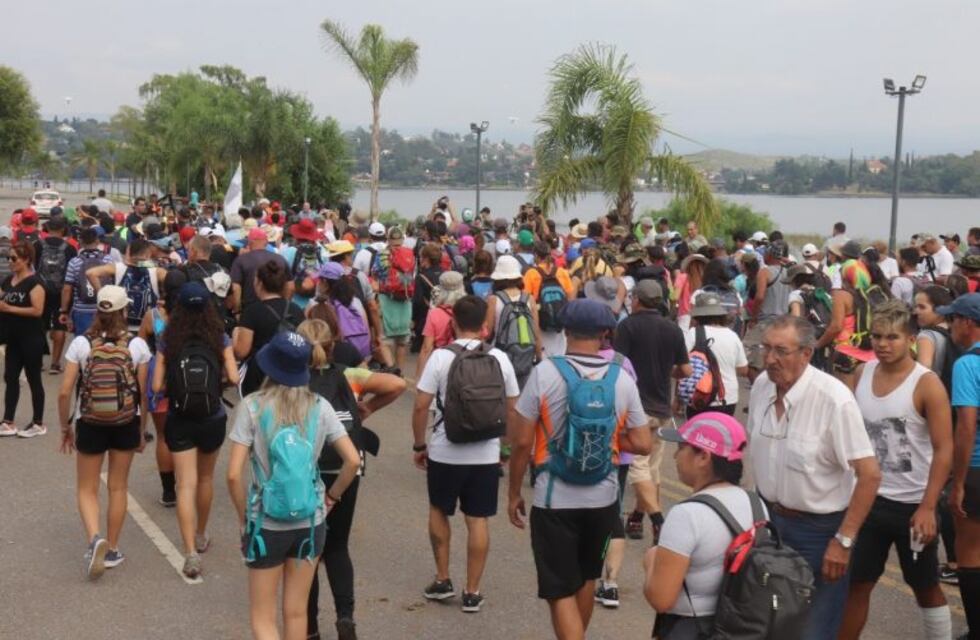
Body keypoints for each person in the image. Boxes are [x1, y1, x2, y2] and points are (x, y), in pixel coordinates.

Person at [507, 299, 651, 640]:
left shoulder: (545, 372)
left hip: (554, 498)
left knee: (558, 589)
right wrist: (611, 441)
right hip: (603, 499)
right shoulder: (621, 377)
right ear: (605, 334)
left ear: (566, 331)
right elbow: (643, 442)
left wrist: (513, 492)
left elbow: (523, 442)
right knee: (586, 578)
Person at [746, 315, 881, 640]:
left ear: (806, 354)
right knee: (764, 621)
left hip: (819, 533)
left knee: (812, 630)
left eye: (781, 351)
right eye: (766, 349)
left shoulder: (834, 400)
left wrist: (844, 540)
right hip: (769, 523)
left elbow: (869, 475)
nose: (770, 359)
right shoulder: (762, 386)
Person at [227, 330, 360, 640]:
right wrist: (331, 497)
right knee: (297, 612)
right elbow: (352, 461)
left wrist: (244, 518)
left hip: (266, 522)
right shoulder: (319, 406)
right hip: (311, 520)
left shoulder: (252, 406)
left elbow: (234, 475)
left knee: (263, 617)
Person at [838, 301, 954, 640]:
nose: (883, 344)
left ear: (911, 339)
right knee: (857, 584)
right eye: (876, 337)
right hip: (868, 502)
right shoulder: (864, 373)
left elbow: (944, 448)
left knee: (925, 587)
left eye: (893, 337)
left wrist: (929, 507)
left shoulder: (927, 384)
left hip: (913, 506)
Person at [297, 319, 406, 640]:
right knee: (338, 547)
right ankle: (346, 617)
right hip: (346, 468)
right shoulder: (348, 375)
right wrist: (367, 408)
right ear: (334, 345)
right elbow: (398, 385)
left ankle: (310, 627)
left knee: (309, 551)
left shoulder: (295, 380)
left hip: (308, 470)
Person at [412, 295, 520, 612]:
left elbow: (421, 405)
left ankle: (443, 579)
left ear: (453, 323)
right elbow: (513, 409)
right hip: (485, 453)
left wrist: (420, 444)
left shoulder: (441, 358)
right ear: (485, 326)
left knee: (438, 510)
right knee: (478, 520)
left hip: (446, 450)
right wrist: (505, 447)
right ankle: (472, 591)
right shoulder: (500, 358)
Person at [56, 285, 150, 579]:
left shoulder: (82, 344)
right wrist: (141, 431)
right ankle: (112, 548)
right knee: (118, 487)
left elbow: (64, 391)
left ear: (99, 310)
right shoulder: (137, 346)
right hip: (125, 422)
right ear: (124, 310)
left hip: (90, 422)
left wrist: (65, 426)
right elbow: (143, 396)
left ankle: (95, 538)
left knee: (87, 488)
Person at [642, 412, 758, 638]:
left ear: (703, 457)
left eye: (682, 447)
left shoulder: (686, 515)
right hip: (738, 627)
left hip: (692, 628)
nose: (675, 455)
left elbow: (661, 599)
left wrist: (651, 560)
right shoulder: (755, 503)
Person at [152, 282, 239, 579]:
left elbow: (155, 386)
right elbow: (233, 377)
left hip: (180, 416)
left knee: (184, 484)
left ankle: (189, 552)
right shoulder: (219, 336)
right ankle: (201, 534)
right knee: (205, 478)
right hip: (212, 415)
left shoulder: (169, 338)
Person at [614, 280, 692, 542]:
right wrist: (666, 370)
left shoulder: (627, 326)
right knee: (651, 467)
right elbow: (686, 370)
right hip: (661, 407)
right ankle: (637, 519)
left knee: (637, 467)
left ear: (636, 299)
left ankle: (658, 519)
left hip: (635, 407)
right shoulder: (672, 329)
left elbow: (617, 366)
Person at [936, 293, 980, 638]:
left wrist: (959, 481)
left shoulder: (967, 364)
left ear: (968, 323)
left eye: (953, 319)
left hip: (976, 468)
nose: (949, 326)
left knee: (969, 552)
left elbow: (966, 424)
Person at [139, 270, 187, 506]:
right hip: (186, 381)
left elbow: (140, 346)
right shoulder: (191, 313)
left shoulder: (153, 315)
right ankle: (187, 484)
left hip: (159, 382)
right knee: (187, 435)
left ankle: (169, 491)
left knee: (163, 437)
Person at [234, 260, 305, 397]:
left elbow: (242, 351)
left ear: (259, 283)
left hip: (259, 374)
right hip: (289, 373)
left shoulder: (252, 311)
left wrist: (236, 334)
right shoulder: (296, 309)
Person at [0, 242, 47, 438]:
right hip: (13, 338)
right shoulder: (9, 279)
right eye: (7, 258)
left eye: (13, 258)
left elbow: (37, 310)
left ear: (26, 259)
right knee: (10, 378)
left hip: (32, 338)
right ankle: (8, 421)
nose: (10, 262)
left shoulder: (35, 282)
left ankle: (38, 423)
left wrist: (10, 309)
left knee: (34, 378)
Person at [683, 293, 748, 417]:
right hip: (728, 398)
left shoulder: (693, 334)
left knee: (697, 435)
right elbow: (743, 370)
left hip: (700, 395)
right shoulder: (732, 336)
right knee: (720, 434)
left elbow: (683, 366)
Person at [84, 238, 166, 333]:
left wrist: (102, 294)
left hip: (121, 326)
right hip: (150, 326)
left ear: (129, 252)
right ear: (148, 253)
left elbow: (90, 273)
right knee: (158, 341)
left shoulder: (118, 267)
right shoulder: (158, 271)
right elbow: (175, 281)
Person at [484, 255, 542, 389]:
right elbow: (536, 332)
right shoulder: (529, 298)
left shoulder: (494, 299)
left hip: (501, 355)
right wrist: (538, 356)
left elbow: (487, 333)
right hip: (526, 356)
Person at [35, 215, 76, 372]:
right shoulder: (70, 248)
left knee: (40, 327)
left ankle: (37, 362)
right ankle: (55, 363)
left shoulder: (37, 245)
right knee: (60, 325)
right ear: (63, 229)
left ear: (47, 228)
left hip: (40, 291)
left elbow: (32, 268)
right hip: (61, 293)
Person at [371, 227, 414, 373]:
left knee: (385, 340)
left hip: (387, 300)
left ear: (388, 240)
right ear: (402, 239)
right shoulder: (409, 255)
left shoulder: (381, 255)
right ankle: (400, 372)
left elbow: (375, 273)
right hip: (405, 300)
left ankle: (391, 368)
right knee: (402, 342)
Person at [61, 226, 114, 338]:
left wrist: (64, 311)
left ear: (81, 242)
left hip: (81, 310)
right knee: (101, 342)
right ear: (97, 241)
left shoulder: (74, 262)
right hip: (103, 309)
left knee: (83, 343)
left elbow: (67, 289)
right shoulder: (108, 260)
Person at [524, 240, 574, 358]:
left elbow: (526, 298)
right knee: (559, 355)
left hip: (541, 320)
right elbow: (570, 296)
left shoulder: (531, 273)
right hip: (560, 321)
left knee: (543, 356)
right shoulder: (561, 272)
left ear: (536, 255)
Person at [415, 271, 467, 377]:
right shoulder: (468, 310)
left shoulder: (434, 313)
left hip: (440, 362)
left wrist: (419, 376)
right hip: (463, 362)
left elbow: (426, 348)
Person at [230, 227, 291, 314]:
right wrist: (284, 305)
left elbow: (236, 288)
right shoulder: (280, 258)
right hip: (276, 310)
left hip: (249, 310)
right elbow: (290, 286)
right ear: (266, 242)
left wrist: (237, 310)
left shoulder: (241, 260)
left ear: (250, 242)